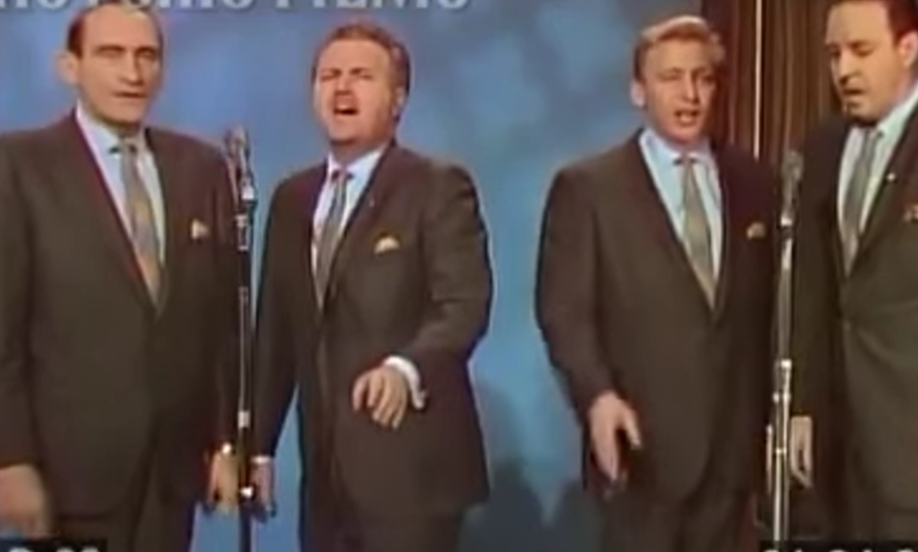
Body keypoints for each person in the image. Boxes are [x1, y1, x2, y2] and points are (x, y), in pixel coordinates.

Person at [0, 1, 240, 551]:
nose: (132, 73)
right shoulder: (18, 166)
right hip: (63, 479)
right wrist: (10, 459)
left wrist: (224, 442)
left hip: (171, 477)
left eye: (146, 56)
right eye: (111, 54)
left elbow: (220, 326)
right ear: (70, 66)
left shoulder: (201, 169)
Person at [535, 15, 777, 552]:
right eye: (671, 78)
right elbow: (564, 313)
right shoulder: (588, 189)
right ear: (638, 90)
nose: (689, 94)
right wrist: (598, 397)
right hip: (640, 455)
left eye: (702, 78)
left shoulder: (757, 182)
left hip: (733, 468)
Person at [250, 19, 493, 552]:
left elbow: (464, 305)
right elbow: (275, 334)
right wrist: (259, 447)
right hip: (325, 480)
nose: (342, 88)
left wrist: (406, 367)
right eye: (329, 76)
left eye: (361, 76)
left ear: (398, 99)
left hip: (412, 472)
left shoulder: (436, 187)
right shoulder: (292, 200)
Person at [789, 0, 918, 540]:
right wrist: (802, 406)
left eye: (861, 51)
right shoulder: (820, 148)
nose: (844, 70)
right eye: (834, 55)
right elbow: (811, 292)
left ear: (908, 48)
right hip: (837, 458)